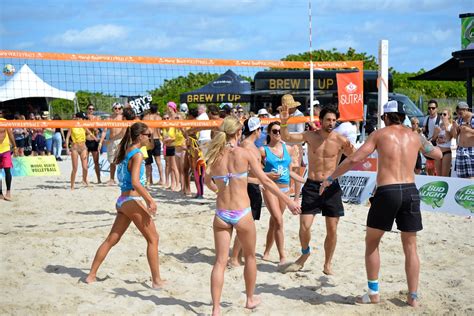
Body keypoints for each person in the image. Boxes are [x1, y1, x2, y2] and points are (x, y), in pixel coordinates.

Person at [320, 100, 442, 306]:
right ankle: (413, 297)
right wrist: (420, 137)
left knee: (372, 242)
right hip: (410, 190)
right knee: (411, 247)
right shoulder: (414, 136)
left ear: (385, 117)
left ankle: (374, 293)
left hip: (388, 191)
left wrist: (331, 177)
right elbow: (437, 154)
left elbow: (353, 159)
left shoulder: (379, 135)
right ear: (402, 116)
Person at [205, 116, 301, 316]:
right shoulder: (244, 153)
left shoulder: (214, 155)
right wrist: (290, 200)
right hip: (242, 213)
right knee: (249, 257)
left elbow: (207, 181)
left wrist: (218, 190)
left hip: (222, 213)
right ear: (239, 132)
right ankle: (249, 299)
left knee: (220, 262)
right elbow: (265, 181)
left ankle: (215, 309)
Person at [85, 122, 165, 288]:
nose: (150, 137)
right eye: (148, 135)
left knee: (111, 240)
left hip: (122, 201)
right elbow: (135, 182)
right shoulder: (136, 154)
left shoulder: (125, 152)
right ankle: (157, 281)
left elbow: (131, 178)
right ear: (139, 136)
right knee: (153, 239)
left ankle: (91, 275)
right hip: (131, 200)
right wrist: (150, 199)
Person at [279, 105, 356, 275]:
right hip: (312, 185)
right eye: (328, 120)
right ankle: (305, 253)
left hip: (331, 186)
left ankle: (327, 264)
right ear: (320, 121)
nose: (331, 123)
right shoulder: (310, 136)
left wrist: (351, 149)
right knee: (305, 226)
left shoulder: (340, 140)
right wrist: (284, 123)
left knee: (332, 228)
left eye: (334, 120)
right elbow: (287, 137)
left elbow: (355, 158)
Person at [261, 121, 302, 265]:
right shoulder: (263, 150)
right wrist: (267, 174)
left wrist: (300, 189)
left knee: (274, 222)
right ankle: (282, 256)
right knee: (278, 220)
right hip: (270, 188)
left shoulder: (288, 149)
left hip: (285, 189)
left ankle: (266, 251)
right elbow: (255, 172)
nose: (278, 133)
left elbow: (291, 172)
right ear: (269, 133)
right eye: (274, 131)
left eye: (279, 131)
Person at [229, 117, 263, 267]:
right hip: (249, 186)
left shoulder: (250, 145)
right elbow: (244, 171)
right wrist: (264, 177)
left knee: (248, 223)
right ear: (257, 130)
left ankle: (239, 256)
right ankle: (234, 257)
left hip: (254, 185)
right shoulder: (246, 146)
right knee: (245, 224)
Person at [281, 94, 306, 203]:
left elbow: (300, 134)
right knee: (285, 170)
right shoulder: (284, 114)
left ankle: (296, 197)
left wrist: (285, 134)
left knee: (295, 171)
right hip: (285, 144)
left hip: (295, 145)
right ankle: (286, 195)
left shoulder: (299, 115)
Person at [65, 112, 92, 190]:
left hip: (83, 148)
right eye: (82, 118)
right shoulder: (72, 125)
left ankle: (84, 179)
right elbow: (67, 138)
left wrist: (95, 139)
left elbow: (89, 134)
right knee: (75, 168)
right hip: (75, 148)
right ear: (78, 118)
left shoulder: (83, 125)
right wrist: (67, 148)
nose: (83, 119)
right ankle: (72, 185)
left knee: (85, 167)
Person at [100, 102, 124, 185]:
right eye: (115, 108)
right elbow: (104, 131)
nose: (117, 110)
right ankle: (112, 179)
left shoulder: (123, 118)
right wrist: (100, 142)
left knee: (122, 161)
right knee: (112, 161)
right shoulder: (109, 118)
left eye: (119, 108)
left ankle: (122, 179)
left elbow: (124, 132)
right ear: (113, 109)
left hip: (120, 140)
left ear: (121, 109)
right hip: (111, 141)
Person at [143, 105, 165, 186]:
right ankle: (162, 180)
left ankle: (149, 180)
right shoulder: (159, 118)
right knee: (158, 161)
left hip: (147, 140)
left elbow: (142, 129)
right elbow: (162, 129)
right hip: (156, 139)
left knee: (148, 162)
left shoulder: (145, 118)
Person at [452, 101, 474, 178]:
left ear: (466, 109)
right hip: (461, 150)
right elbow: (455, 136)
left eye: (460, 112)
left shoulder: (473, 119)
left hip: (471, 150)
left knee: (472, 176)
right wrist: (455, 127)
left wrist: (469, 130)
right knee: (461, 177)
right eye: (458, 112)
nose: (459, 114)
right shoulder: (460, 119)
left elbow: (468, 132)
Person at [0, 109, 18, 201]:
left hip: (5, 150)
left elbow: (10, 134)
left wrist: (15, 147)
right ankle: (0, 193)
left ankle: (8, 192)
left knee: (7, 171)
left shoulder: (4, 122)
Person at [433, 108, 454, 176]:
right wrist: (436, 133)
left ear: (449, 116)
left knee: (445, 175)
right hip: (438, 151)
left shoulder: (451, 126)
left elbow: (448, 138)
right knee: (438, 175)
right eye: (441, 114)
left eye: (444, 114)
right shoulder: (437, 126)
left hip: (446, 152)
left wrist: (446, 128)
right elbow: (433, 139)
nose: (442, 115)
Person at [423, 100, 441, 175]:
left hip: (438, 146)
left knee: (437, 170)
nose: (431, 110)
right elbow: (424, 130)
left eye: (433, 108)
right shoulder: (426, 118)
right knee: (429, 168)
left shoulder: (440, 119)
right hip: (429, 144)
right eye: (429, 108)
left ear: (436, 108)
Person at [85, 103, 102, 183]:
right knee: (85, 161)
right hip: (86, 141)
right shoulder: (84, 118)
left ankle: (99, 179)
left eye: (92, 109)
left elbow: (96, 129)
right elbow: (86, 129)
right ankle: (85, 179)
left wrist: (93, 127)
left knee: (96, 162)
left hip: (94, 142)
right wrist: (93, 127)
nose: (91, 110)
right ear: (87, 109)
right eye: (89, 109)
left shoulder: (96, 118)